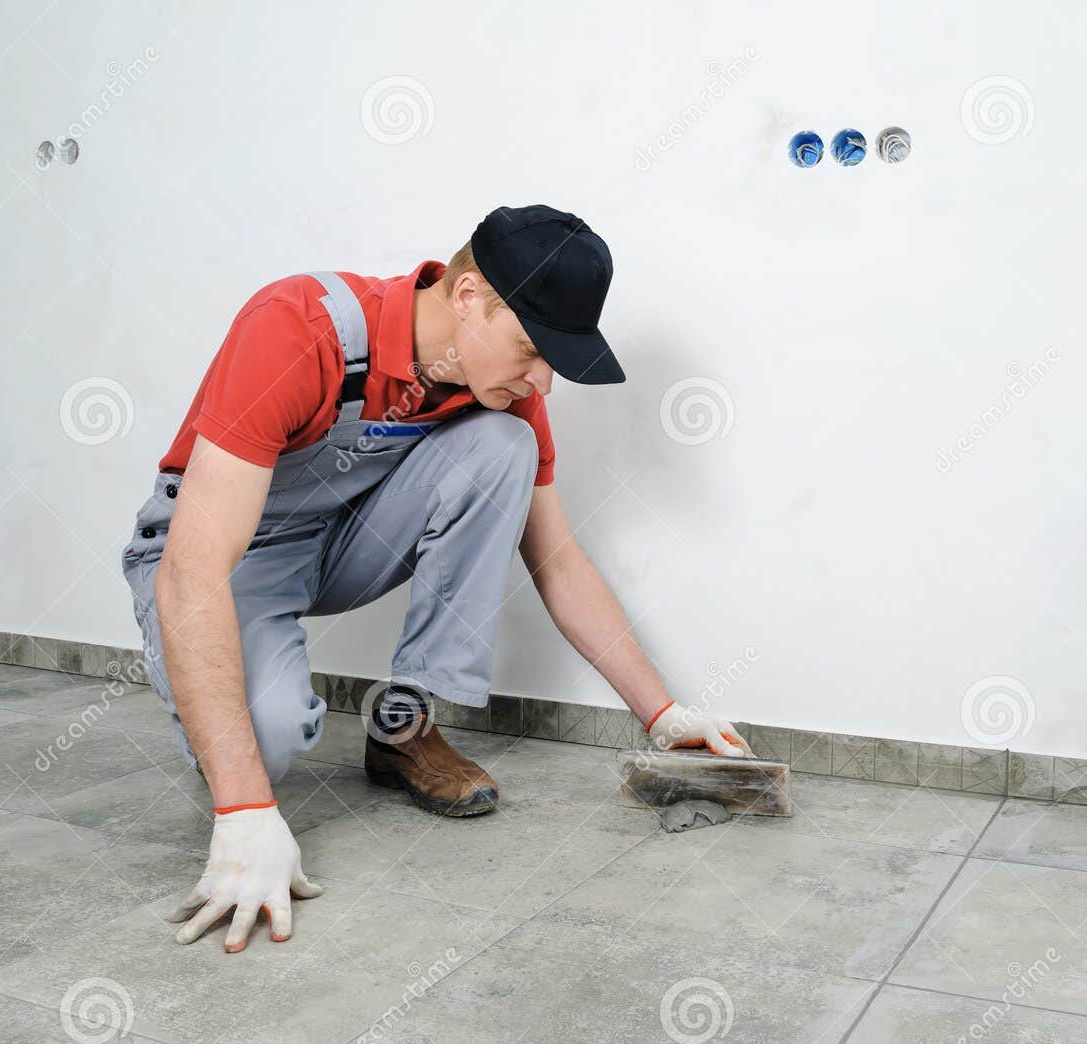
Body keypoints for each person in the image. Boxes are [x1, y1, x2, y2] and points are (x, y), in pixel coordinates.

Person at [122, 204, 748, 954]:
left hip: (335, 542)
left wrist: (663, 714)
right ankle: (226, 740)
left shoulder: (506, 392)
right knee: (268, 742)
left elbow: (557, 561)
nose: (542, 379)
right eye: (532, 348)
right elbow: (193, 572)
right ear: (466, 299)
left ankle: (403, 728)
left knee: (502, 446)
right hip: (222, 556)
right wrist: (245, 806)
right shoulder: (297, 327)